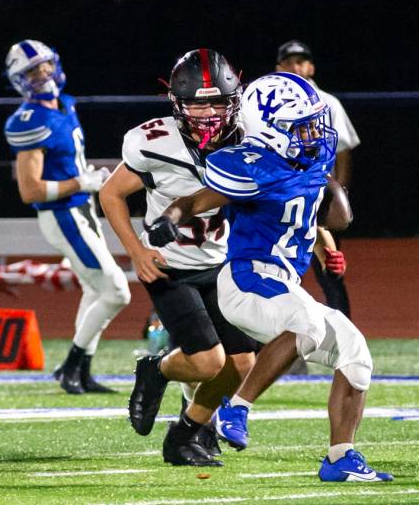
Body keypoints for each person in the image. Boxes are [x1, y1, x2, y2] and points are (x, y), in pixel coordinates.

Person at [146, 72, 392, 482]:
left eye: (314, 122)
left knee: (355, 351)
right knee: (307, 323)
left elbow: (339, 217)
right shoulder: (251, 167)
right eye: (303, 125)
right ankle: (236, 409)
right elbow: (194, 200)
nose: (315, 131)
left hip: (283, 285)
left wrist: (323, 199)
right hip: (245, 280)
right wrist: (169, 220)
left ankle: (340, 457)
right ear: (270, 128)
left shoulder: (307, 160)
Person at [100, 49, 257, 466]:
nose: (208, 112)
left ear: (234, 99)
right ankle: (157, 370)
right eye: (197, 102)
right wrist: (136, 252)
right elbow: (110, 193)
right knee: (208, 362)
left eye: (217, 100)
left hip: (223, 263)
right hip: (170, 265)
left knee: (242, 365)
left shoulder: (252, 137)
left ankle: (186, 435)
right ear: (177, 103)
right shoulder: (154, 142)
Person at [3, 40, 131, 394]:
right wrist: (81, 182)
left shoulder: (65, 105)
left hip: (81, 209)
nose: (42, 73)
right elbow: (29, 191)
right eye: (32, 70)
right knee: (117, 291)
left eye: (44, 65)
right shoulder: (29, 120)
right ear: (19, 80)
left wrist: (82, 184)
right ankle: (72, 363)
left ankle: (82, 371)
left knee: (95, 289)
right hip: (62, 215)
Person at [276, 39, 359, 318]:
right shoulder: (270, 104)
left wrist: (340, 194)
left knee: (331, 270)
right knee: (277, 270)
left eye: (300, 61)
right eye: (289, 62)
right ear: (278, 68)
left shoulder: (328, 103)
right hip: (279, 199)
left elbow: (344, 151)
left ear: (311, 66)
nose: (295, 67)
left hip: (316, 199)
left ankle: (343, 328)